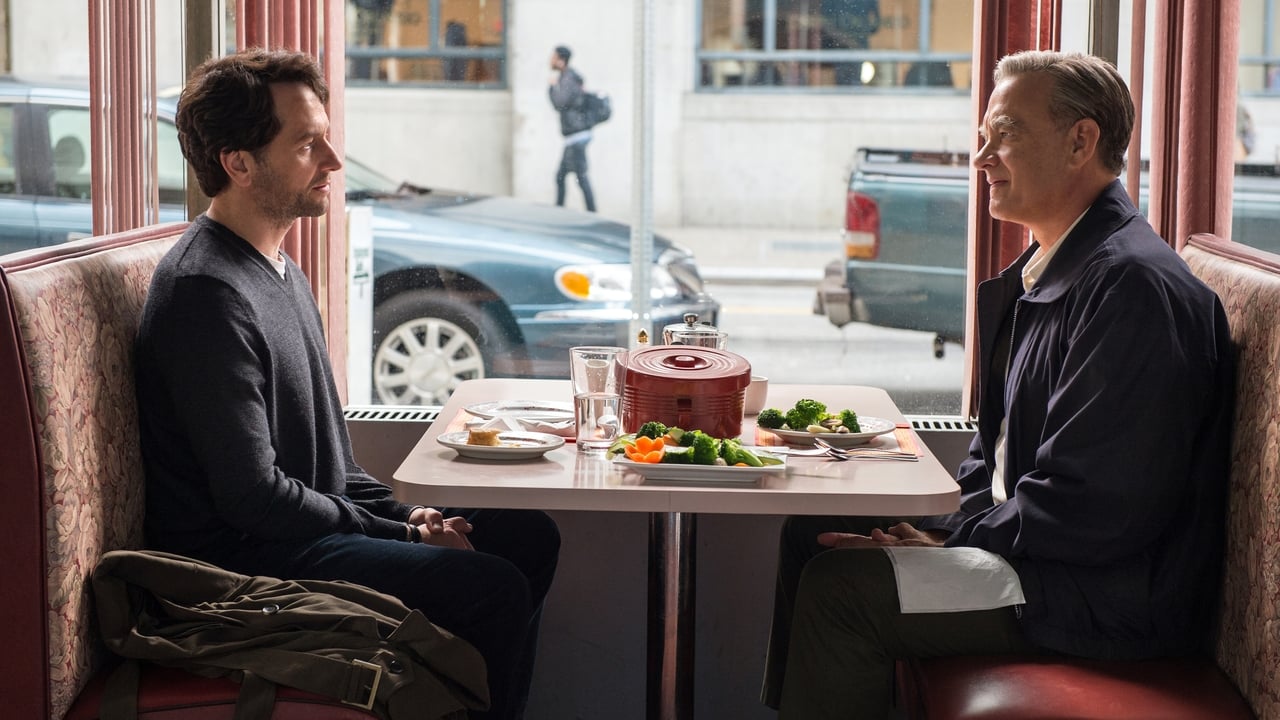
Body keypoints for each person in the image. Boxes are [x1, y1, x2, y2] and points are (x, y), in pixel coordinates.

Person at [761, 50, 1234, 719]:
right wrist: (952, 530)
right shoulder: (1049, 272)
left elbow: (1097, 509)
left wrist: (957, 542)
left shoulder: (1132, 290)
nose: (982, 158)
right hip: (1043, 558)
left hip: (1101, 595)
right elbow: (996, 455)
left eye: (1005, 135)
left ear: (1081, 141)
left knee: (844, 589)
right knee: (813, 531)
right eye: (983, 137)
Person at [135, 49, 560, 720]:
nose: (333, 161)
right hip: (241, 565)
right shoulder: (204, 293)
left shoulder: (279, 271)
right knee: (491, 587)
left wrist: (407, 517)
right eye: (308, 144)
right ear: (238, 163)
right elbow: (253, 499)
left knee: (528, 535)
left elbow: (330, 466)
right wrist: (406, 539)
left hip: (294, 533)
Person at [548, 45, 596, 212]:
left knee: (578, 177)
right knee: (563, 176)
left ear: (561, 61)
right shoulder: (569, 77)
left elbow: (559, 103)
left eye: (554, 57)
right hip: (575, 136)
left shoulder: (568, 79)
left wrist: (552, 87)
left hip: (577, 136)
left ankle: (591, 212)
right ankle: (562, 210)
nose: (550, 61)